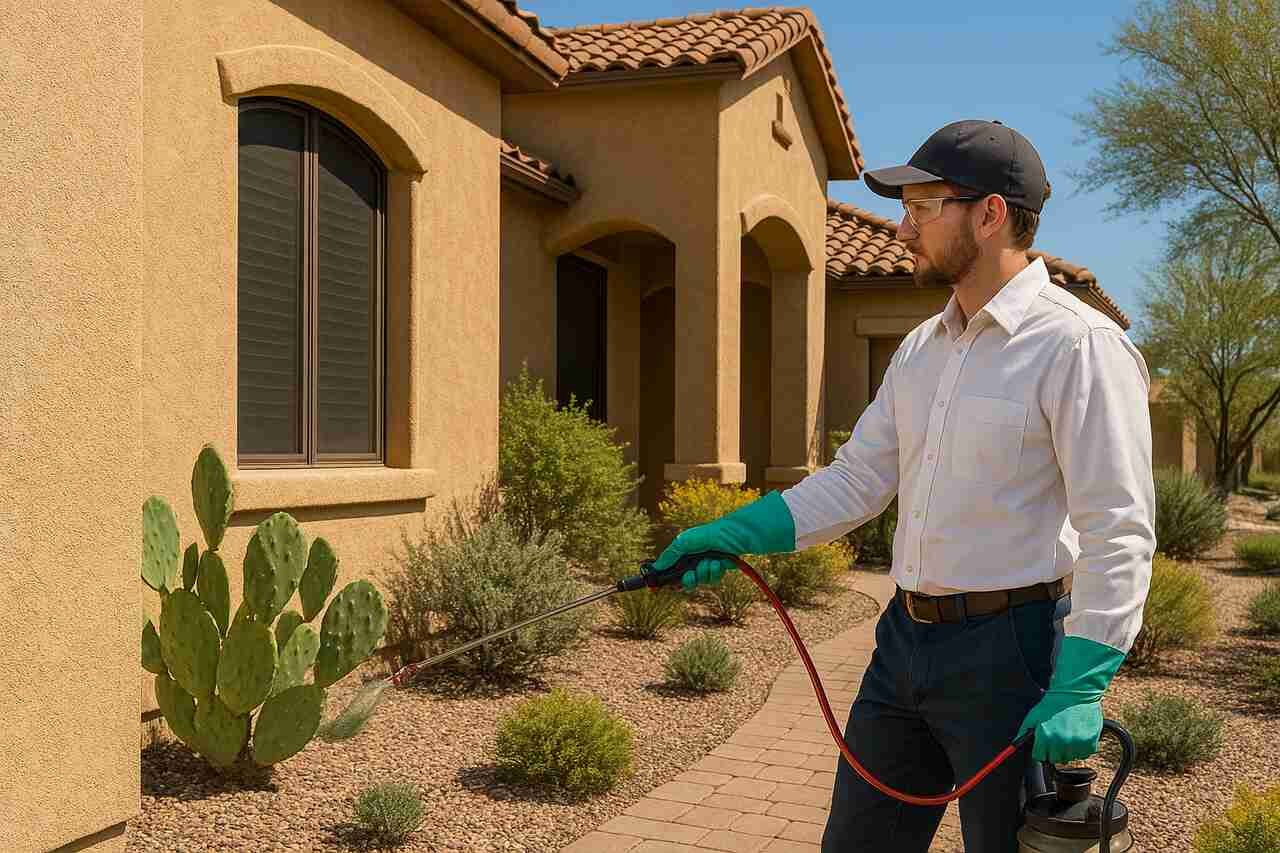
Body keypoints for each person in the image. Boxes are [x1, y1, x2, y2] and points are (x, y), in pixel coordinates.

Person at [651, 119, 1155, 852]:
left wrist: (1082, 678)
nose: (902, 226)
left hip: (1012, 653)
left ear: (988, 214)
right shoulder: (924, 348)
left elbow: (1118, 523)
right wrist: (732, 532)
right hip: (902, 644)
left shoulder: (1078, 346)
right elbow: (858, 481)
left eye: (922, 207)